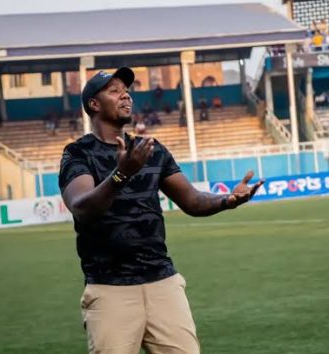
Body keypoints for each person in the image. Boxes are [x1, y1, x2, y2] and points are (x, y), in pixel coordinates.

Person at [58, 67, 264, 354]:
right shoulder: (77, 153)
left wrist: (227, 200)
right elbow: (82, 208)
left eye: (126, 90)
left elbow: (191, 200)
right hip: (110, 288)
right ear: (94, 104)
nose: (125, 95)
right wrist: (122, 174)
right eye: (114, 90)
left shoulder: (151, 149)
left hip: (163, 282)